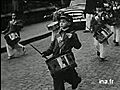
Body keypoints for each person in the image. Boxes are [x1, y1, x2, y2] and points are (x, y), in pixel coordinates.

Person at [42, 14, 82, 90]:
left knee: (69, 75)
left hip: (66, 59)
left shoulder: (72, 34)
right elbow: (52, 46)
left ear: (69, 23)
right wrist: (47, 52)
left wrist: (72, 39)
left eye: (63, 22)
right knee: (57, 77)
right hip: (56, 59)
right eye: (60, 22)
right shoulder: (58, 34)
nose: (61, 23)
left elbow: (78, 46)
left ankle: (75, 80)